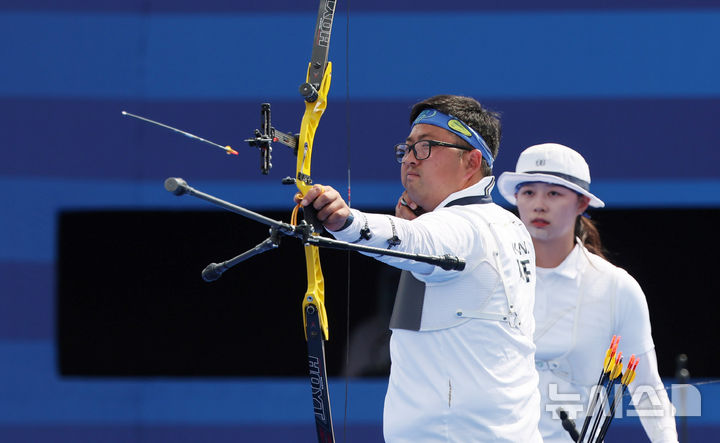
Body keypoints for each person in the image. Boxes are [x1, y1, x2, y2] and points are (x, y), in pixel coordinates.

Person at [297, 95, 542, 442]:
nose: (410, 159)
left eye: (426, 147)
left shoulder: (466, 227)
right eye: (407, 148)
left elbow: (415, 240)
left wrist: (346, 222)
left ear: (471, 161)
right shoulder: (506, 225)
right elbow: (426, 301)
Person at [493, 143, 678, 442]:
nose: (539, 204)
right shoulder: (487, 277)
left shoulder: (616, 287)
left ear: (581, 203)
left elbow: (648, 391)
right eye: (528, 192)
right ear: (516, 199)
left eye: (554, 193)